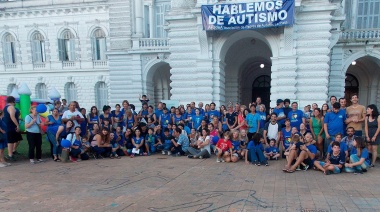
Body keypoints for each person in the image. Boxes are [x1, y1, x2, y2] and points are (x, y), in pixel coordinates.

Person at [3, 96, 23, 161]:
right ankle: (10, 155)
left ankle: (13, 151)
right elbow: (12, 117)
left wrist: (19, 119)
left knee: (18, 139)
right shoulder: (11, 107)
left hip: (9, 125)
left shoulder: (5, 108)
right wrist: (17, 125)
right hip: (10, 126)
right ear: (13, 101)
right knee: (10, 141)